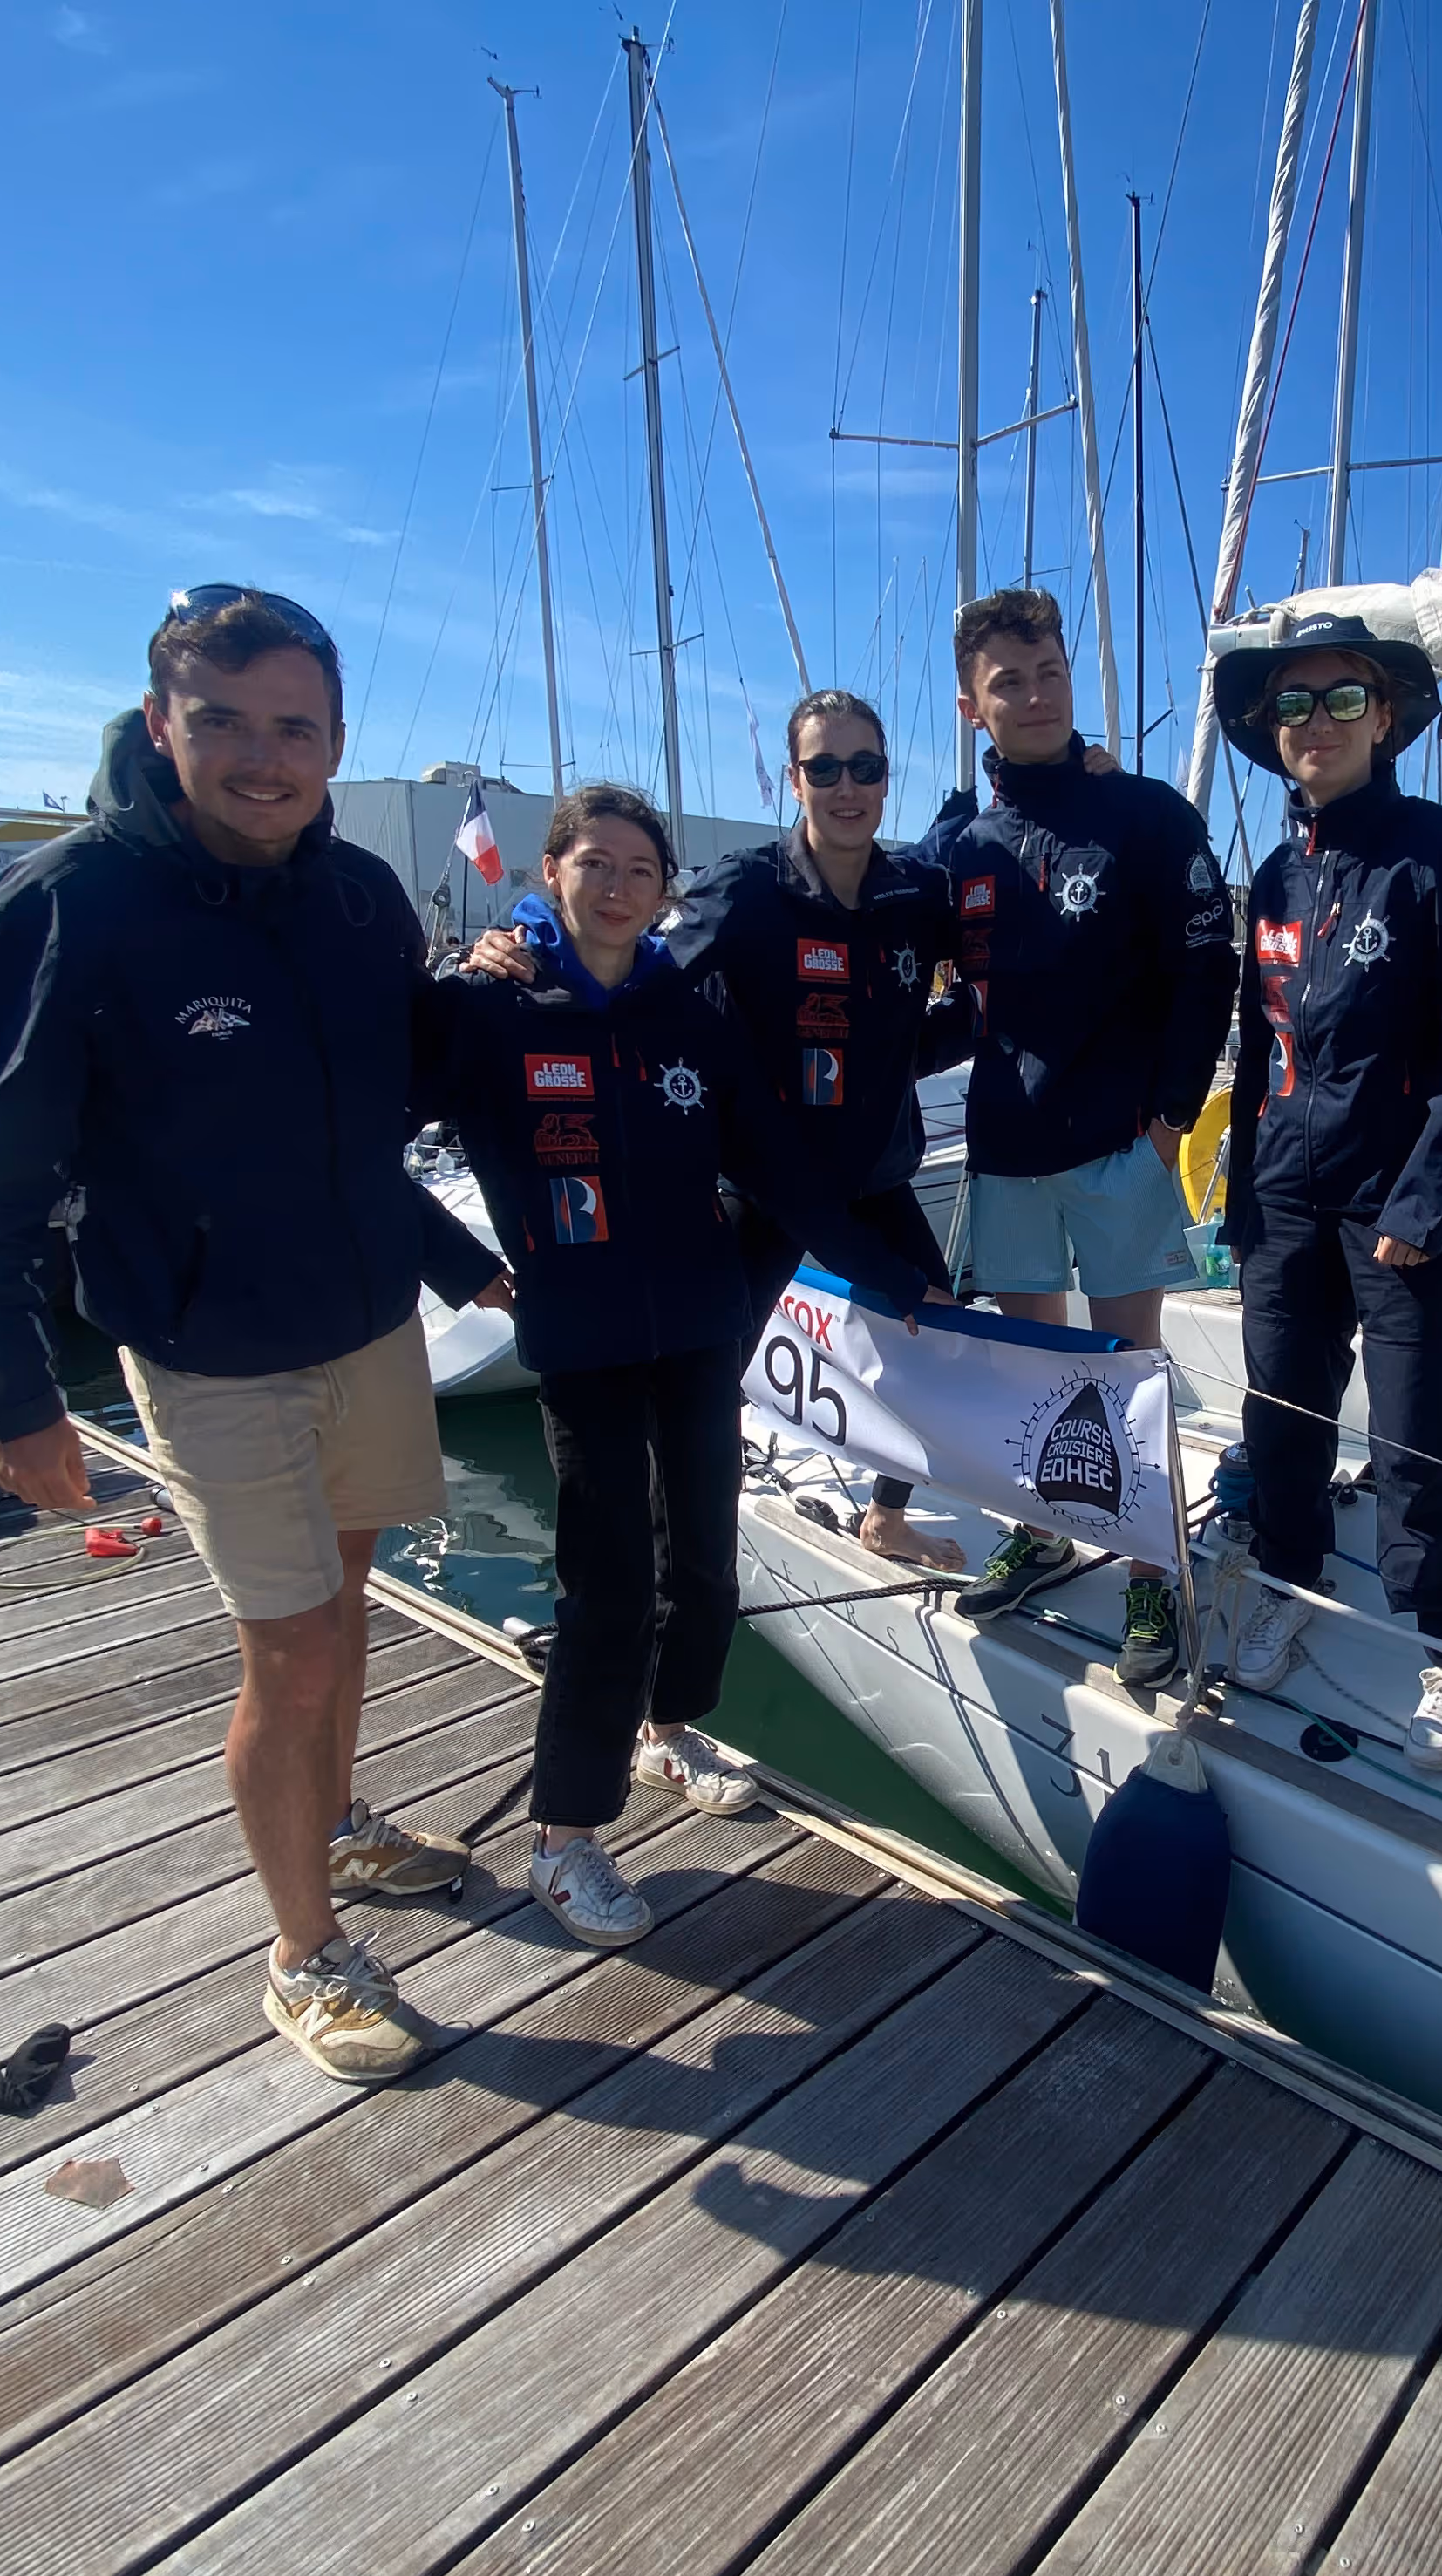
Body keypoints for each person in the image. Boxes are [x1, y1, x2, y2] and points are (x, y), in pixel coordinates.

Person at [0, 586, 512, 2089]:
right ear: (164, 717)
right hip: (200, 1341)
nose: (263, 756)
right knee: (291, 1644)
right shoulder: (72, 902)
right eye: (227, 721)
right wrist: (12, 1398)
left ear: (335, 738)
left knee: (349, 1608)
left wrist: (462, 1246)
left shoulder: (367, 898)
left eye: (293, 726)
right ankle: (302, 1955)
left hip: (367, 1315)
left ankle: (340, 1828)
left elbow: (383, 1111)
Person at [423, 786, 935, 1949]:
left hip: (702, 1325)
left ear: (663, 892)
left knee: (703, 1570)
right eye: (594, 864)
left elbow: (782, 1170)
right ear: (552, 872)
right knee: (604, 1588)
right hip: (583, 1338)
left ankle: (666, 1727)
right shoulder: (492, 1008)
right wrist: (455, 1263)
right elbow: (359, 1131)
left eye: (639, 871)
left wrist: (899, 1276)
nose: (617, 887)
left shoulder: (688, 1013)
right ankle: (562, 1836)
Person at [462, 692, 976, 1574]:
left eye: (866, 767)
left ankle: (886, 1518)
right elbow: (634, 977)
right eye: (824, 768)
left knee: (939, 1338)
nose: (846, 787)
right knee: (703, 1393)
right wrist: (528, 936)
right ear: (795, 779)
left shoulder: (914, 894)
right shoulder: (746, 889)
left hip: (875, 1178)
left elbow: (912, 1022)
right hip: (765, 1185)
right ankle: (656, 1579)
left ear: (887, 780)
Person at [1203, 613, 1442, 1757]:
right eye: (1294, 704)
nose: (1316, 723)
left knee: (1421, 1431)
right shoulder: (1277, 873)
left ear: (1384, 717)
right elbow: (1265, 1047)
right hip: (1287, 1195)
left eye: (1342, 699)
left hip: (1402, 1205)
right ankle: (1290, 1581)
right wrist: (1245, 1196)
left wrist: (1426, 1201)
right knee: (1280, 1414)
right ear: (1272, 730)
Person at [935, 586, 1237, 1687]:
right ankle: (1043, 1526)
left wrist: (1169, 1121)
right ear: (974, 703)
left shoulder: (1150, 815)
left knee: (1128, 1370)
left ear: (1072, 674)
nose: (1033, 693)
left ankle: (1153, 1562)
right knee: (1033, 1367)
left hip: (1123, 1142)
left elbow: (1209, 970)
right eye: (1007, 680)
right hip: (1009, 1146)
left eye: (1048, 670)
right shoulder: (961, 845)